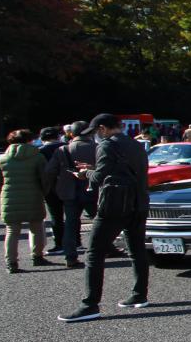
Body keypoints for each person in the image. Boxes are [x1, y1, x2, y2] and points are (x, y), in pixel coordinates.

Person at [58, 114, 150, 322]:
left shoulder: (107, 145)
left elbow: (100, 177)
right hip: (139, 202)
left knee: (94, 253)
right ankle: (139, 294)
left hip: (114, 205)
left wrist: (85, 174)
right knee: (136, 250)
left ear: (102, 129)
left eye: (95, 132)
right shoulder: (136, 145)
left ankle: (89, 304)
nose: (96, 137)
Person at [0, 129, 51, 273]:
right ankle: (37, 256)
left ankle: (11, 263)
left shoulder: (2, 158)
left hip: (10, 197)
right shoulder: (37, 157)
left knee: (12, 231)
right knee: (37, 227)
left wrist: (4, 193)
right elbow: (45, 179)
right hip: (33, 195)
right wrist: (43, 192)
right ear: (29, 140)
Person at [45, 120, 96, 268]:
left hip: (69, 191)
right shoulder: (97, 148)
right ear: (90, 132)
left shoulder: (62, 150)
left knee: (71, 224)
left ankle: (70, 256)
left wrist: (54, 187)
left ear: (71, 133)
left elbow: (49, 171)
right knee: (101, 222)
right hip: (92, 190)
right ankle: (104, 250)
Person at [37, 127, 67, 254]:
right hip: (69, 185)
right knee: (73, 215)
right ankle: (76, 242)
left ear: (42, 138)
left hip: (50, 188)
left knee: (56, 216)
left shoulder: (39, 151)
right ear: (58, 136)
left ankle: (59, 244)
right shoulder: (67, 147)